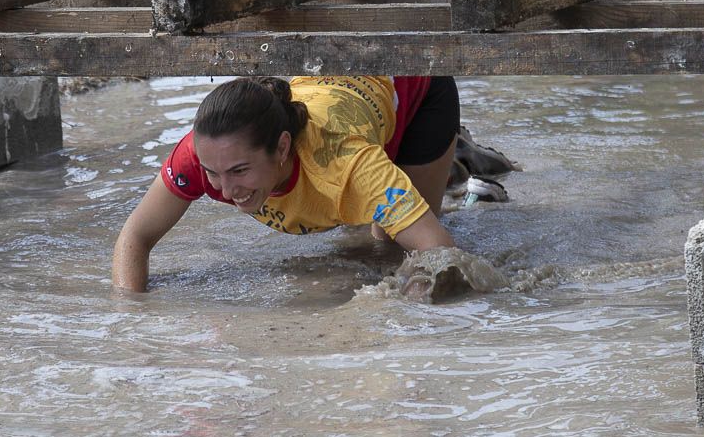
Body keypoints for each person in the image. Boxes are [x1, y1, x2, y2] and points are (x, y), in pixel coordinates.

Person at [112, 75, 473, 293]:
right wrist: (131, 320)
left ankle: (453, 158)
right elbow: (135, 237)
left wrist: (404, 312)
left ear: (282, 147)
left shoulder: (347, 166)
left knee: (391, 245)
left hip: (416, 91)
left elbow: (441, 253)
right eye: (212, 173)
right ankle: (451, 163)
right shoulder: (200, 155)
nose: (224, 191)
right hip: (343, 97)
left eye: (239, 171)